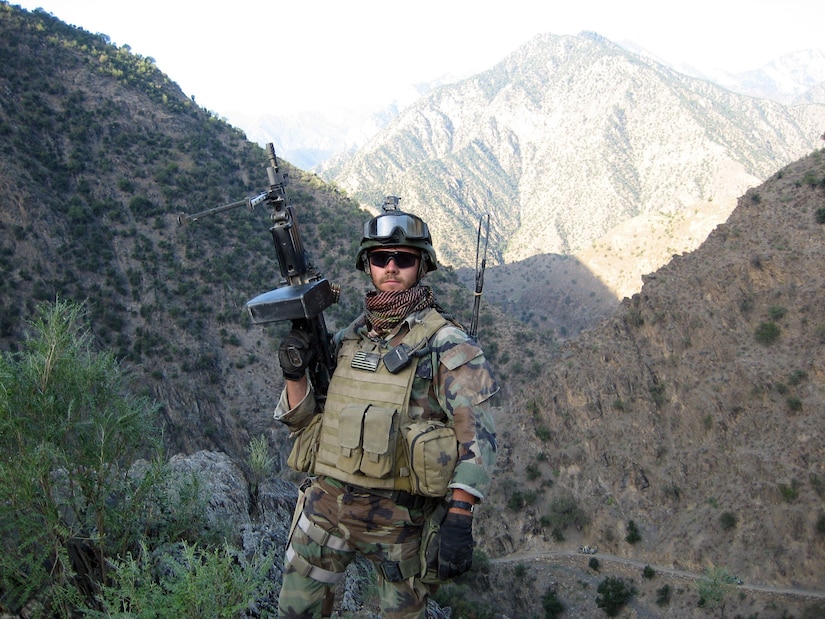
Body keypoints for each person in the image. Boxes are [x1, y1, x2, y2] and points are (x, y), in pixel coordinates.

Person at [273, 198, 499, 619]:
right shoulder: (347, 340)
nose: (391, 267)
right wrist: (293, 371)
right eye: (380, 257)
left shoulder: (447, 344)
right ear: (368, 264)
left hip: (401, 521)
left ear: (422, 266)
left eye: (403, 258)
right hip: (326, 508)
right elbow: (305, 421)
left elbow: (478, 436)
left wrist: (460, 514)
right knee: (294, 612)